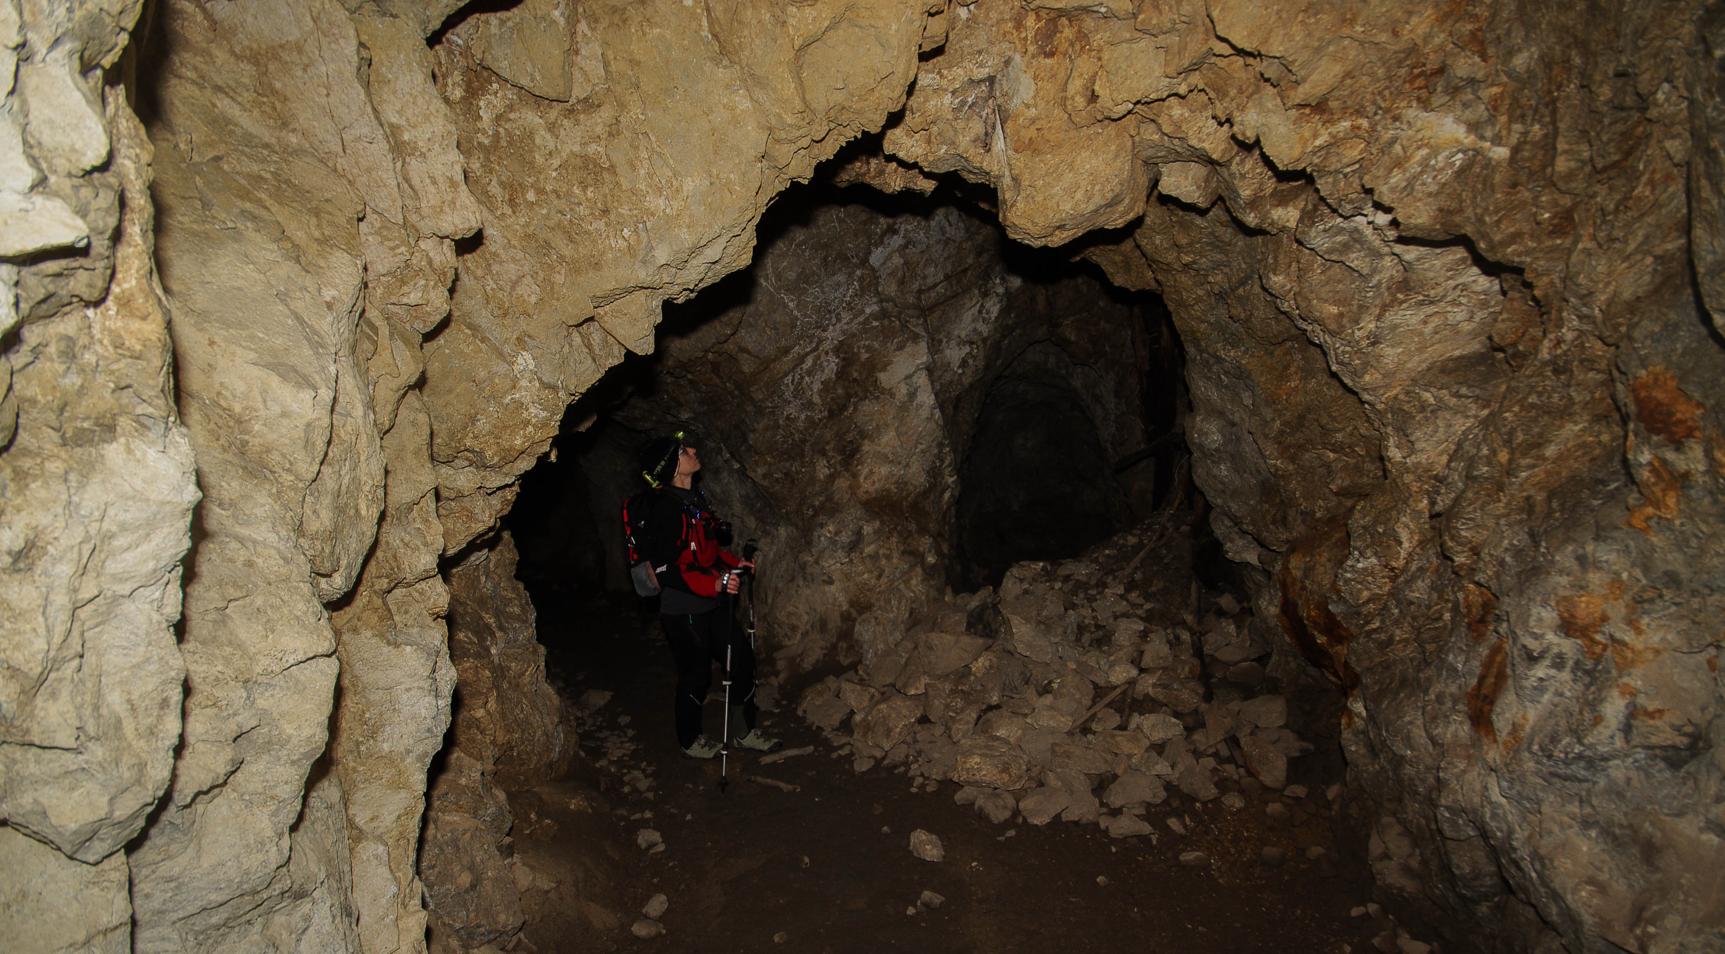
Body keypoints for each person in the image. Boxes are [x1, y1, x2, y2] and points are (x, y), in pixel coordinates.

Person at [637, 432, 780, 758]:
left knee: (741, 659)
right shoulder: (664, 509)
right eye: (683, 450)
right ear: (673, 467)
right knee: (696, 674)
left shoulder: (694, 499)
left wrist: (733, 563)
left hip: (713, 603)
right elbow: (665, 568)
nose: (693, 450)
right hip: (683, 609)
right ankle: (690, 740)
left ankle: (744, 731)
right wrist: (714, 584)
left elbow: (707, 550)